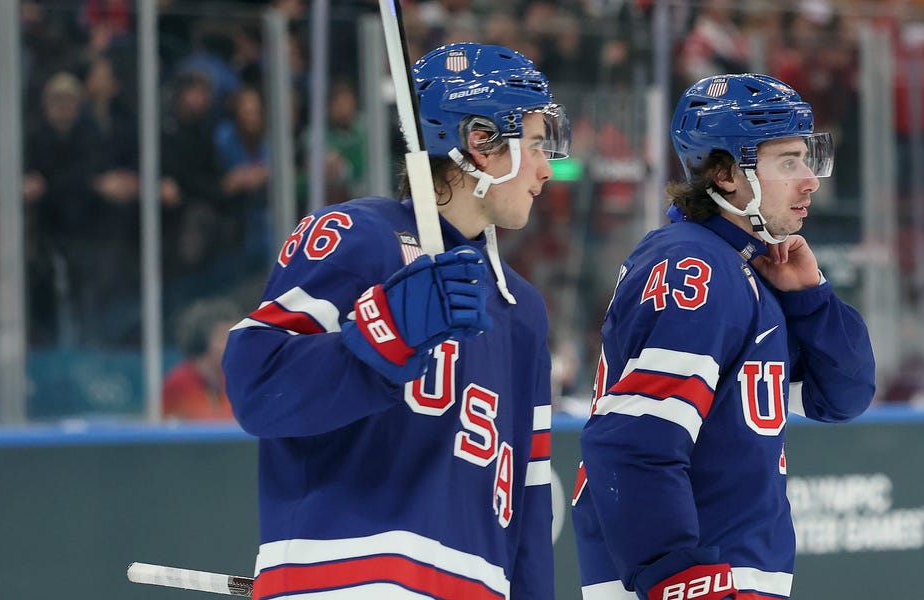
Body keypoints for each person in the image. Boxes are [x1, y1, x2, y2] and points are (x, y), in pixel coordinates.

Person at [222, 42, 570, 600]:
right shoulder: (357, 235)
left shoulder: (520, 308)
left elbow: (526, 505)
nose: (546, 169)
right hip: (349, 575)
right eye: (533, 145)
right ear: (481, 144)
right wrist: (383, 335)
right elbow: (255, 387)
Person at [571, 73, 876, 600]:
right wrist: (672, 574)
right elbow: (634, 437)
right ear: (726, 174)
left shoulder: (749, 272)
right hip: (698, 580)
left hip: (730, 575)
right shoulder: (696, 266)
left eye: (807, 159)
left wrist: (811, 298)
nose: (810, 180)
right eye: (787, 162)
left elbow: (844, 395)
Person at [162, 297, 240, 421]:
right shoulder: (179, 382)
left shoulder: (231, 380)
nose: (234, 345)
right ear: (203, 341)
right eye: (224, 338)